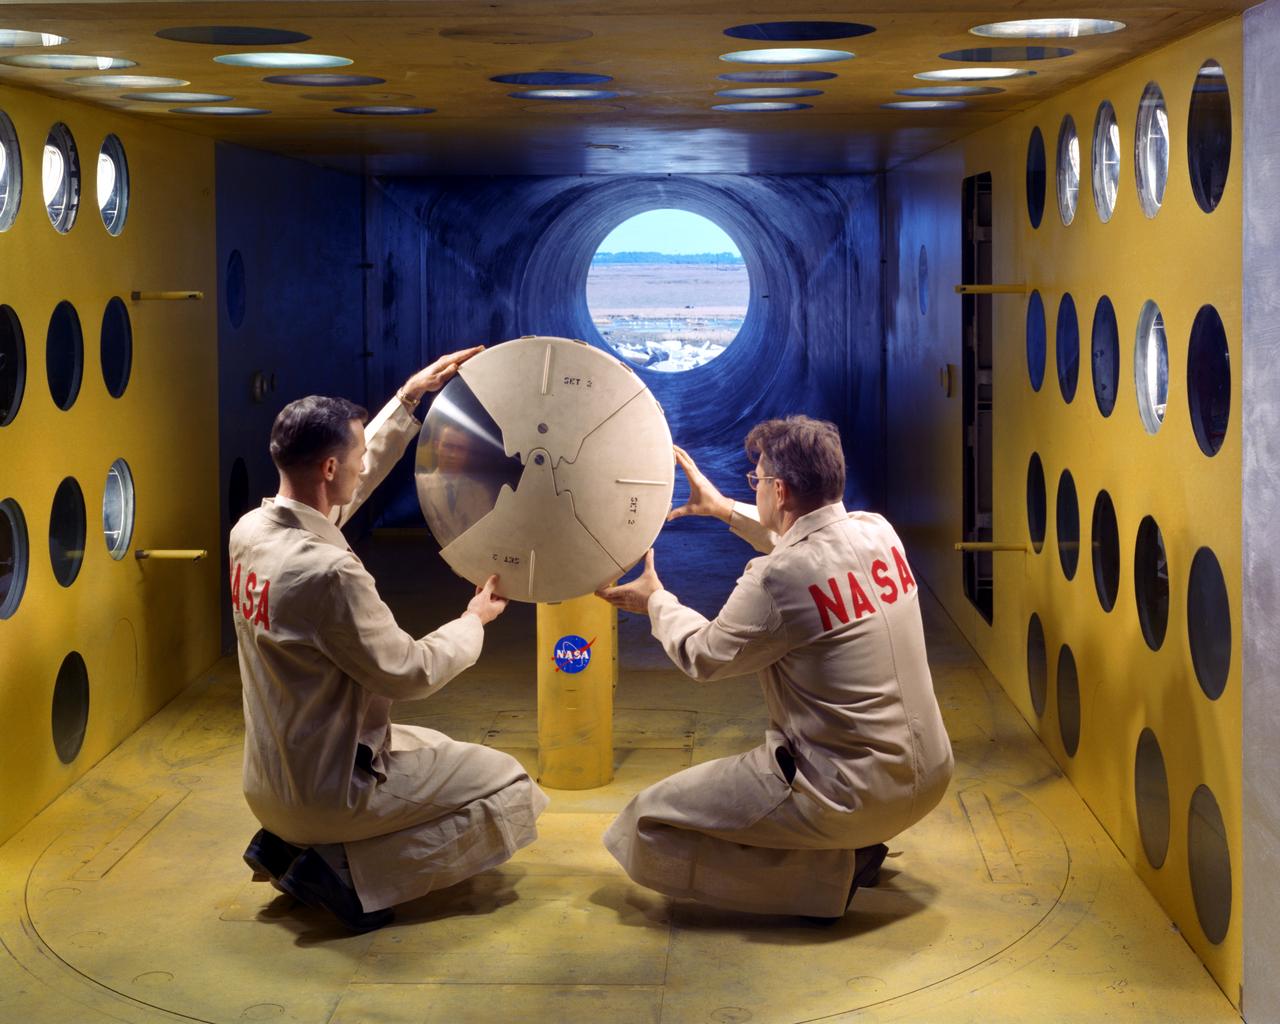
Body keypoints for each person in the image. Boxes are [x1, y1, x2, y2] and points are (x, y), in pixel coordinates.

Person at [230, 345, 549, 932]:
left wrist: (408, 400)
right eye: (351, 457)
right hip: (330, 792)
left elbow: (341, 491)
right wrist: (473, 620)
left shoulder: (251, 533)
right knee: (512, 789)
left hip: (267, 781)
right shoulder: (331, 574)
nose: (360, 466)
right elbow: (409, 671)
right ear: (330, 468)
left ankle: (291, 850)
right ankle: (350, 875)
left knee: (427, 744)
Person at [596, 418, 953, 921]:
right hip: (931, 774)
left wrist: (656, 601)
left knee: (645, 825)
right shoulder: (879, 532)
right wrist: (723, 509)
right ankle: (852, 848)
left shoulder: (774, 579)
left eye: (756, 479)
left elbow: (702, 656)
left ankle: (830, 875)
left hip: (848, 795)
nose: (755, 485)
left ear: (779, 490)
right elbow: (807, 546)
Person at [417, 421, 499, 547]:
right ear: (436, 447)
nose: (453, 455)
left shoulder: (479, 492)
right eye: (448, 446)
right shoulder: (420, 486)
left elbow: (484, 535)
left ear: (466, 453)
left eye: (460, 449)